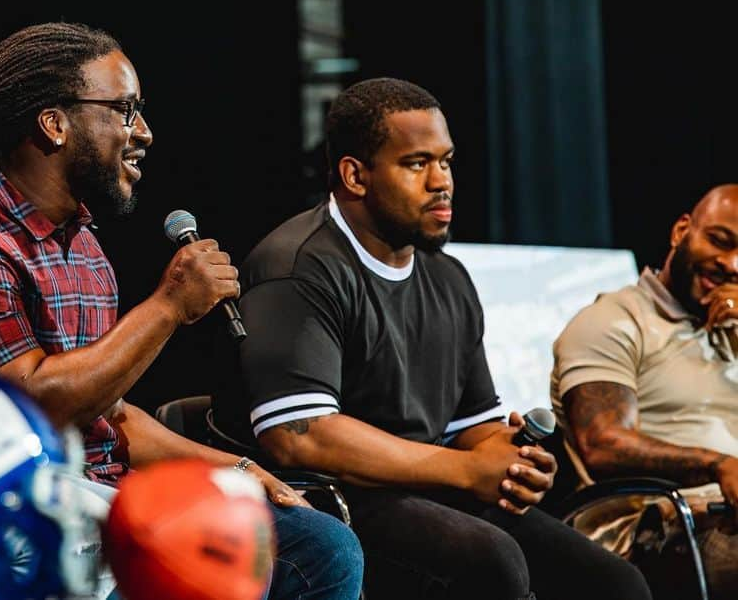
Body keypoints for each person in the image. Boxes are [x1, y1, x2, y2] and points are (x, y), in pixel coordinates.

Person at [0, 22, 363, 600]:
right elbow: (28, 407)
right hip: (8, 512)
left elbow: (108, 413)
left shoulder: (81, 241)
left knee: (318, 542)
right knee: (211, 558)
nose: (146, 134)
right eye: (126, 110)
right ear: (55, 123)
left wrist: (235, 470)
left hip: (102, 497)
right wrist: (167, 307)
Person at [211, 77, 650, 599]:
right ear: (355, 175)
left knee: (613, 583)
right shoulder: (298, 266)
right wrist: (466, 470)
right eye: (417, 164)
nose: (441, 181)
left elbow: (472, 423)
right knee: (492, 562)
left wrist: (510, 459)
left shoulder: (449, 277)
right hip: (328, 499)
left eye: (446, 161)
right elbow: (301, 434)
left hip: (424, 484)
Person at [553, 184, 738, 597]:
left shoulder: (732, 328)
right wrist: (718, 465)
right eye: (719, 242)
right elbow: (603, 445)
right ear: (680, 231)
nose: (732, 264)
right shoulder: (615, 320)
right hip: (651, 527)